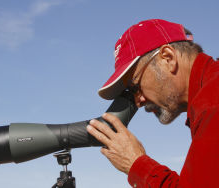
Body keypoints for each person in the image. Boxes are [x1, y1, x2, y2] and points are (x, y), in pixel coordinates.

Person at [87, 19, 219, 187]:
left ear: (168, 58)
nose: (139, 101)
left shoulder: (213, 103)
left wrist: (137, 164)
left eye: (135, 86)